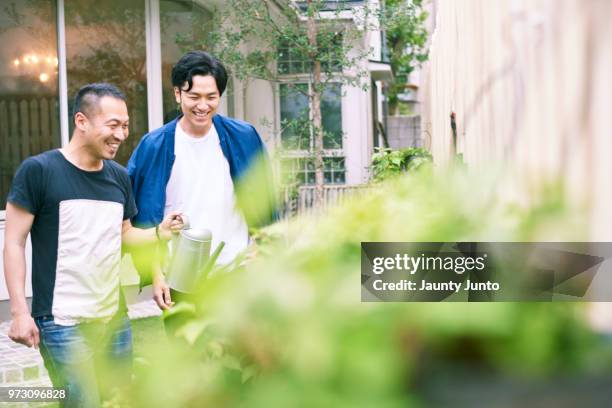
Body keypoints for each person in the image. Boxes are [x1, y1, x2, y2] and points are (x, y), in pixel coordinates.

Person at [3, 83, 182, 407]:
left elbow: (124, 234)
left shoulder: (118, 177)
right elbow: (14, 242)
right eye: (113, 124)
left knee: (117, 401)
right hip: (62, 323)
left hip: (114, 319)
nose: (121, 134)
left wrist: (160, 232)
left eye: (125, 125)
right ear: (82, 121)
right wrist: (19, 312)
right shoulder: (39, 171)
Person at [127, 51, 275, 320]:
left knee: (240, 360)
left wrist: (261, 253)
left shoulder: (244, 137)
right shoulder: (154, 146)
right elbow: (142, 216)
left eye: (211, 97)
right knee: (188, 358)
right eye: (194, 97)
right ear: (177, 94)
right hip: (180, 281)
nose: (203, 106)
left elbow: (265, 201)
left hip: (236, 273)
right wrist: (156, 275)